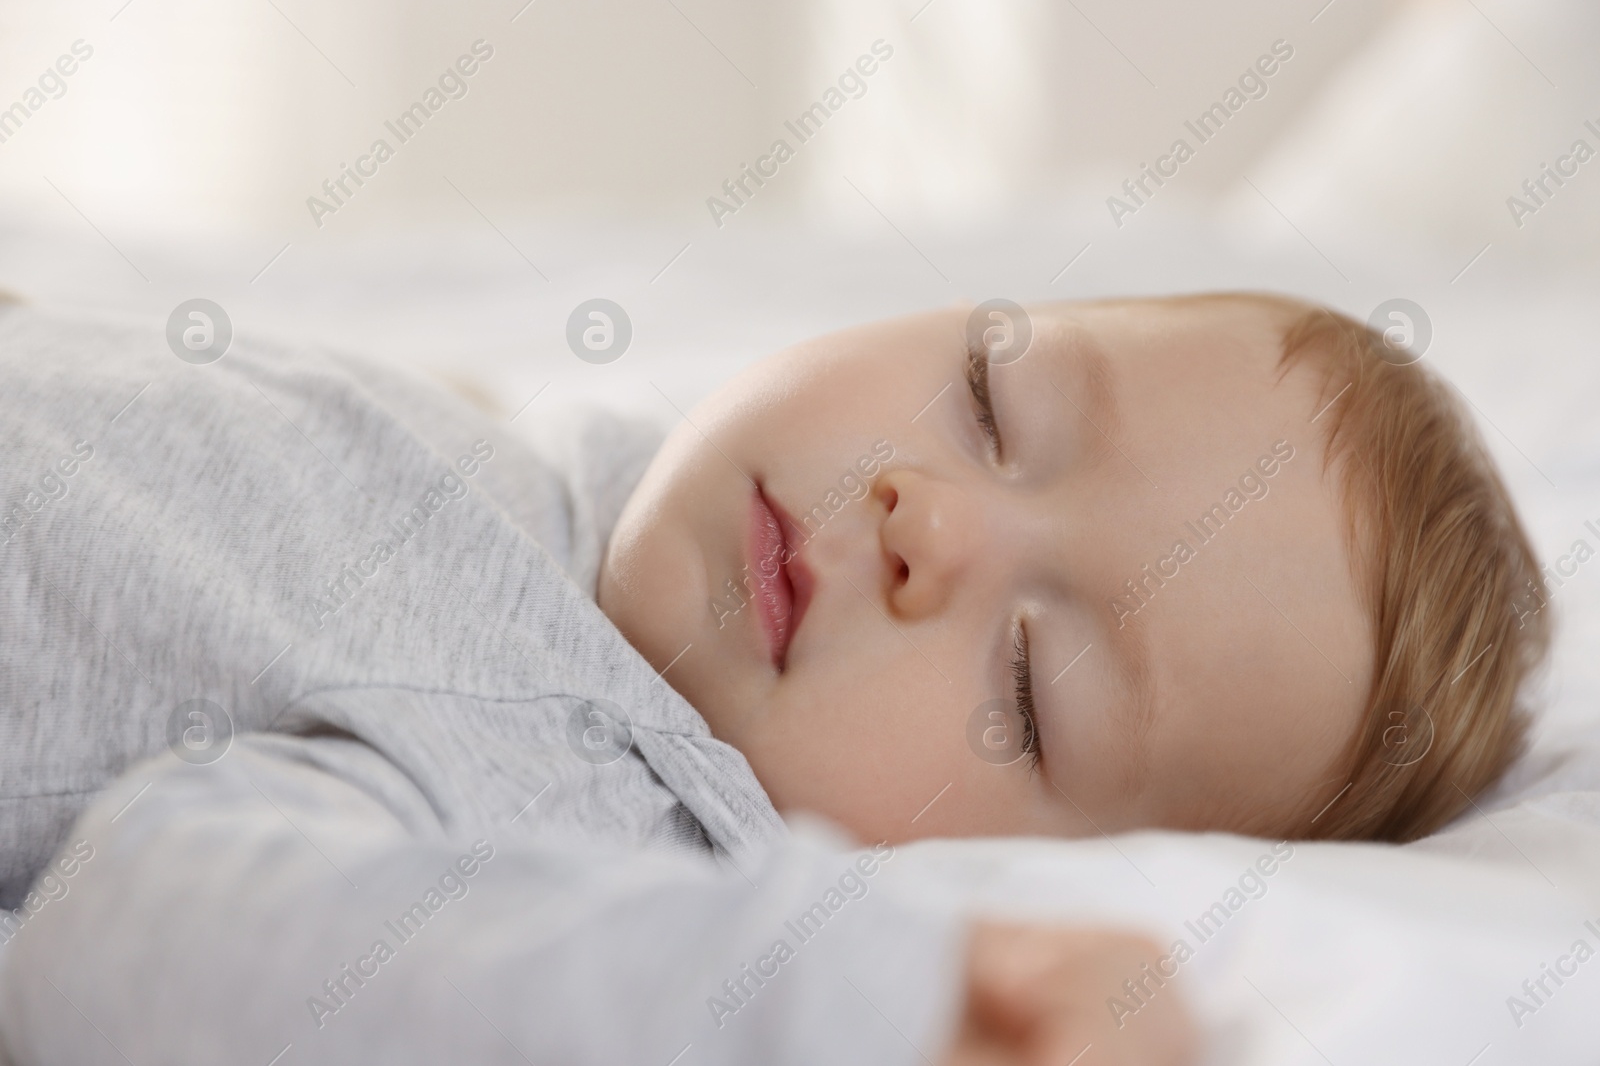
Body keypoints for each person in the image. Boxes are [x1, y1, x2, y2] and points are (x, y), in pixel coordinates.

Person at [0, 292, 1545, 1064]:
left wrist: (892, 1000)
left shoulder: (567, 767)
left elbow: (121, 948)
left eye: (1028, 688)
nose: (926, 521)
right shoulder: (587, 501)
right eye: (993, 402)